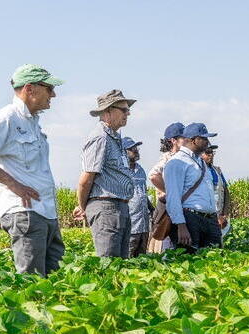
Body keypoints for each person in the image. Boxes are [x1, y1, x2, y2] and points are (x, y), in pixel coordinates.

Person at [0, 64, 65, 276]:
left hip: (46, 211)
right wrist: (13, 184)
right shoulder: (6, 119)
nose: (53, 94)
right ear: (30, 88)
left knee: (56, 279)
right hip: (25, 212)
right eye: (49, 88)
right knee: (32, 282)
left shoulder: (33, 123)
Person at [74, 90, 136, 258]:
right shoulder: (100, 138)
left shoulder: (115, 138)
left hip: (119, 207)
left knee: (122, 264)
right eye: (124, 110)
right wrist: (82, 206)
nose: (128, 113)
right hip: (107, 207)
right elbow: (86, 179)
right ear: (108, 112)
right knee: (109, 263)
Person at [164, 123, 220, 253]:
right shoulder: (177, 162)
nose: (208, 142)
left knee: (215, 261)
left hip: (209, 219)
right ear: (193, 140)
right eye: (204, 139)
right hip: (190, 219)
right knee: (189, 261)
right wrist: (181, 225)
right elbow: (173, 197)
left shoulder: (201, 162)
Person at [147, 122, 186, 253]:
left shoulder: (180, 157)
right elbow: (153, 175)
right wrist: (171, 192)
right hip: (166, 208)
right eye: (183, 137)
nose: (186, 140)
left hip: (173, 206)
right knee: (166, 243)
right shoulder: (168, 158)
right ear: (173, 140)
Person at [123, 137, 150, 257]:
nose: (136, 150)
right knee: (128, 257)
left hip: (144, 224)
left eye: (136, 148)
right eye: (132, 149)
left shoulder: (141, 170)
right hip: (131, 225)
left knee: (142, 258)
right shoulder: (121, 170)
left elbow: (143, 194)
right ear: (123, 152)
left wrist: (152, 209)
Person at [200, 145, 231, 233]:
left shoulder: (217, 170)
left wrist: (224, 214)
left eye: (212, 152)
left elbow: (226, 192)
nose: (211, 155)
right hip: (205, 217)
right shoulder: (197, 171)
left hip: (219, 217)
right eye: (208, 152)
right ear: (200, 154)